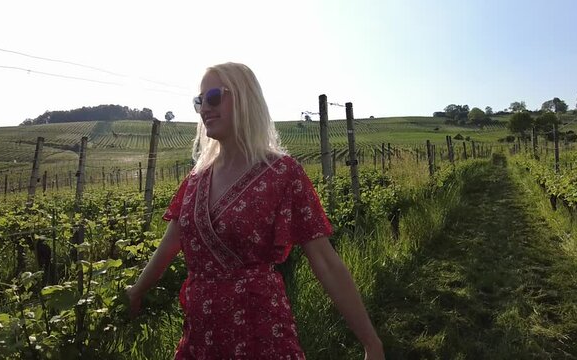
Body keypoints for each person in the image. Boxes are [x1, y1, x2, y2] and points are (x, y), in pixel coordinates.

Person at [127, 62, 384, 359]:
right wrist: (137, 291)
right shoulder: (196, 179)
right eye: (199, 101)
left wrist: (371, 343)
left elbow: (325, 261)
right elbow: (171, 243)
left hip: (259, 333)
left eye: (213, 97)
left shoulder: (282, 174)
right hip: (201, 337)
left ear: (245, 98)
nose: (204, 108)